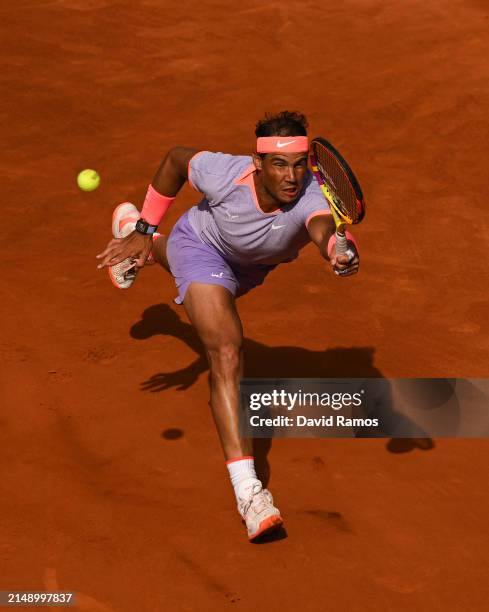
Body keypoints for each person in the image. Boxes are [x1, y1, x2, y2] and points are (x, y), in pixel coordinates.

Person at [96, 111, 359, 541]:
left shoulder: (311, 196)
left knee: (199, 288)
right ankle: (250, 494)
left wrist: (337, 250)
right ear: (257, 163)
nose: (291, 176)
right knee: (227, 350)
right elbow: (175, 160)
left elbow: (322, 228)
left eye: (298, 163)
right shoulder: (225, 172)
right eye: (279, 164)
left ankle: (141, 247)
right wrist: (148, 224)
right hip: (200, 245)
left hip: (249, 270)